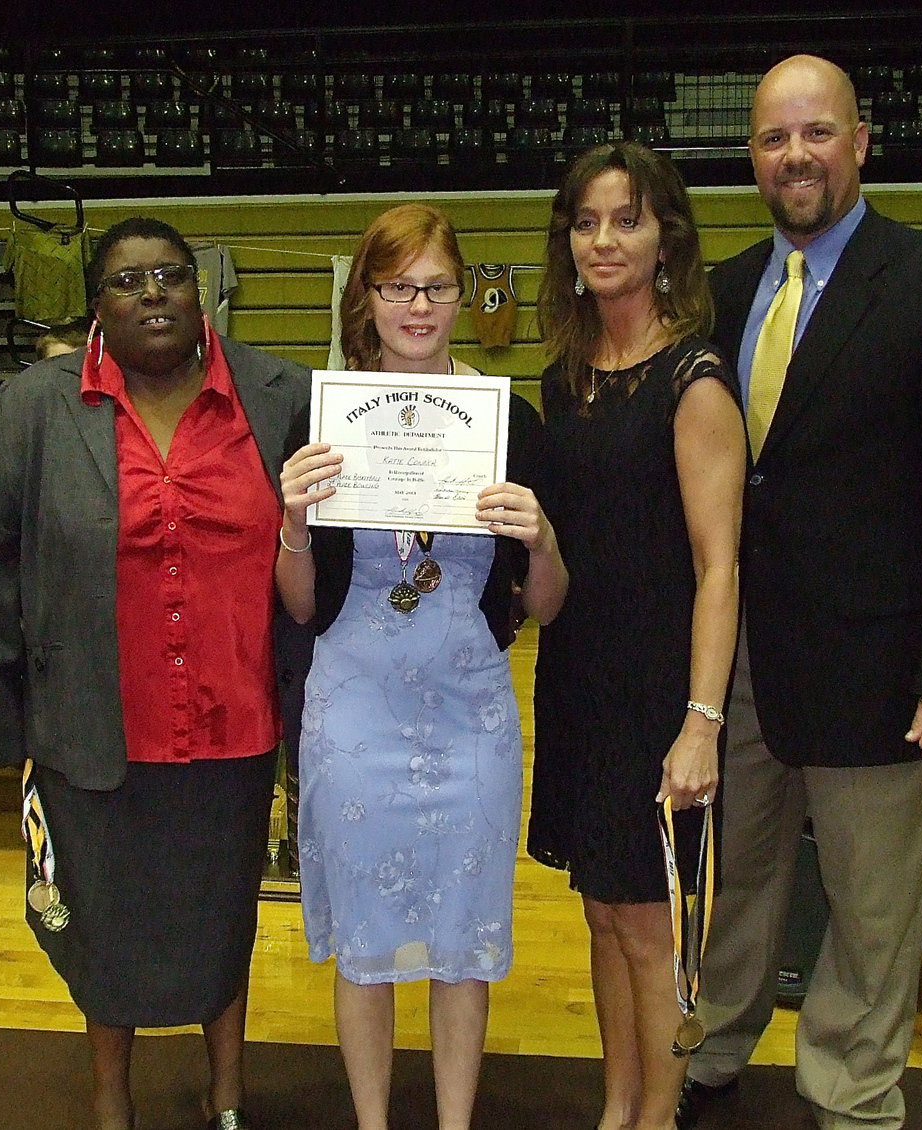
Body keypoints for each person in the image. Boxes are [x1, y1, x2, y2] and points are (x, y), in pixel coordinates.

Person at [678, 55, 922, 1130]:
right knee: (735, 885)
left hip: (886, 679)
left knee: (875, 912)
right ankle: (712, 1052)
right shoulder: (725, 291)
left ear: (862, 141)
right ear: (752, 156)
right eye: (774, 138)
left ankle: (852, 1090)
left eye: (816, 133)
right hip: (741, 667)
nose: (796, 155)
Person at [0, 216, 312, 1130]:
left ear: (203, 287)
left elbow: (332, 551)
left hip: (236, 719)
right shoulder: (37, 406)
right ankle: (113, 1097)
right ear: (97, 308)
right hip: (92, 725)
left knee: (224, 919)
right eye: (127, 281)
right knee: (102, 927)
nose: (153, 294)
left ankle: (227, 1092)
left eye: (171, 274)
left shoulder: (280, 396)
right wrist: (2, 705)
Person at [276, 203, 569, 1130]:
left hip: (468, 713)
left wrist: (545, 538)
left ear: (464, 294)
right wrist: (290, 525)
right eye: (397, 286)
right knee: (364, 944)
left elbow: (544, 602)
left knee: (462, 944)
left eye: (437, 286)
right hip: (353, 711)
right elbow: (296, 603)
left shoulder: (508, 422)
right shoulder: (320, 417)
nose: (418, 305)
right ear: (364, 295)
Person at [528, 141, 746, 1130]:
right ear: (567, 244)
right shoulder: (563, 378)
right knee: (602, 908)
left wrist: (701, 720)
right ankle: (617, 1102)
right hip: (578, 681)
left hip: (662, 689)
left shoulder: (695, 380)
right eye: (588, 221)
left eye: (629, 219)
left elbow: (718, 566)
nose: (606, 238)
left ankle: (658, 1114)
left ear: (666, 240)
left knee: (652, 923)